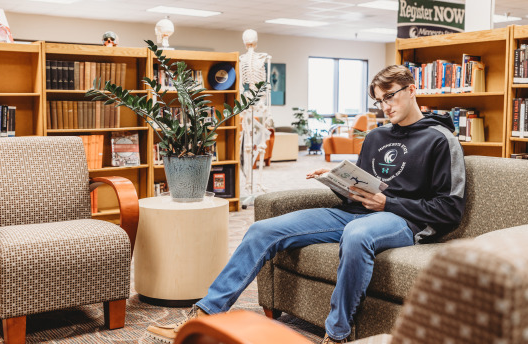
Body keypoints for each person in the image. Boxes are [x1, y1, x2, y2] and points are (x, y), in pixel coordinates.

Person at [146, 65, 467, 344]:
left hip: (401, 221)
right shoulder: (376, 137)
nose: (385, 106)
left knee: (357, 234)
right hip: (356, 212)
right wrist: (339, 181)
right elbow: (362, 189)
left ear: (412, 90)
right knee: (262, 230)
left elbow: (449, 210)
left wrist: (388, 202)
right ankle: (204, 312)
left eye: (390, 96)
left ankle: (337, 334)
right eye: (378, 101)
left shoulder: (440, 139)